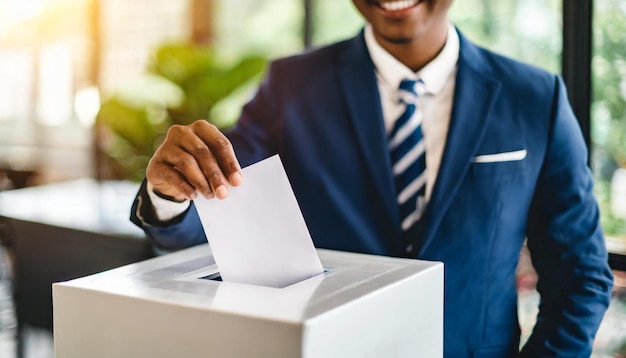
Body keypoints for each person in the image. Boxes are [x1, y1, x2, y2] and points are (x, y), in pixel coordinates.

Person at [131, 0, 614, 356]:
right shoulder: (290, 87)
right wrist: (171, 192)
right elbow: (216, 204)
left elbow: (581, 277)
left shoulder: (534, 98)